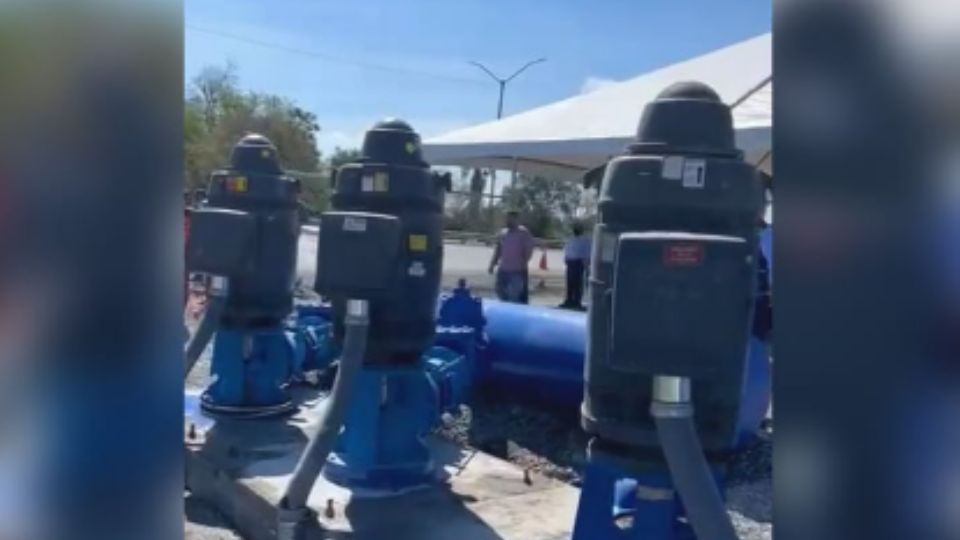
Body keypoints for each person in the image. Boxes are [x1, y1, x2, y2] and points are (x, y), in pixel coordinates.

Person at [488, 210, 535, 303]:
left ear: (517, 220)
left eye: (511, 219)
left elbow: (529, 250)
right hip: (503, 270)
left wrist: (523, 262)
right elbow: (498, 250)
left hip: (517, 272)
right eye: (507, 218)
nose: (508, 221)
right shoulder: (503, 233)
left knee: (514, 297)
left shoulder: (524, 233)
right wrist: (492, 264)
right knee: (500, 293)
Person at [559, 222, 591, 310]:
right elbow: (566, 251)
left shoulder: (585, 240)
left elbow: (587, 252)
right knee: (570, 283)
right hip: (571, 263)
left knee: (577, 283)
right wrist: (566, 260)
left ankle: (576, 301)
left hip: (578, 263)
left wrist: (587, 263)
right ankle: (569, 300)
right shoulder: (571, 239)